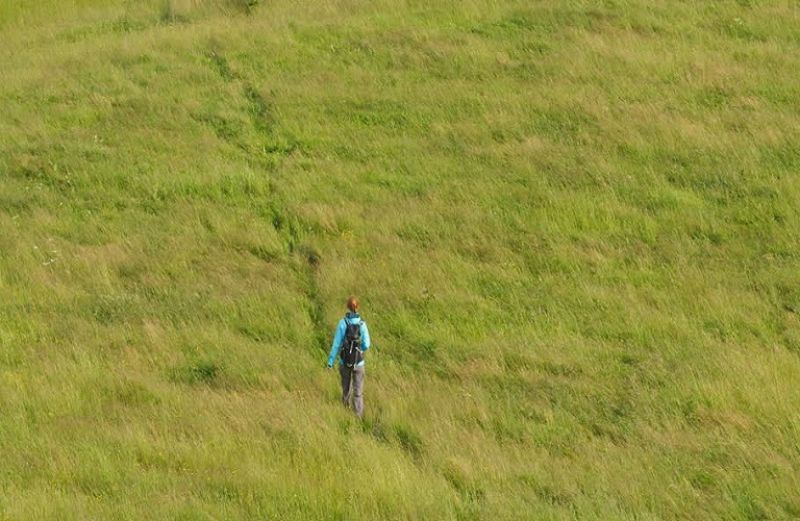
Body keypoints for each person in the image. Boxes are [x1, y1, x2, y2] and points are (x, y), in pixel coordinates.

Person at [326, 296, 371, 418]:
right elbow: (367, 343)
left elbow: (336, 345)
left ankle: (345, 413)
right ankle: (358, 417)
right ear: (358, 307)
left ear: (348, 307)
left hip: (344, 362)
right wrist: (359, 349)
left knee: (346, 390)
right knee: (358, 392)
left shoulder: (343, 323)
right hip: (359, 363)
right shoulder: (362, 324)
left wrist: (330, 362)